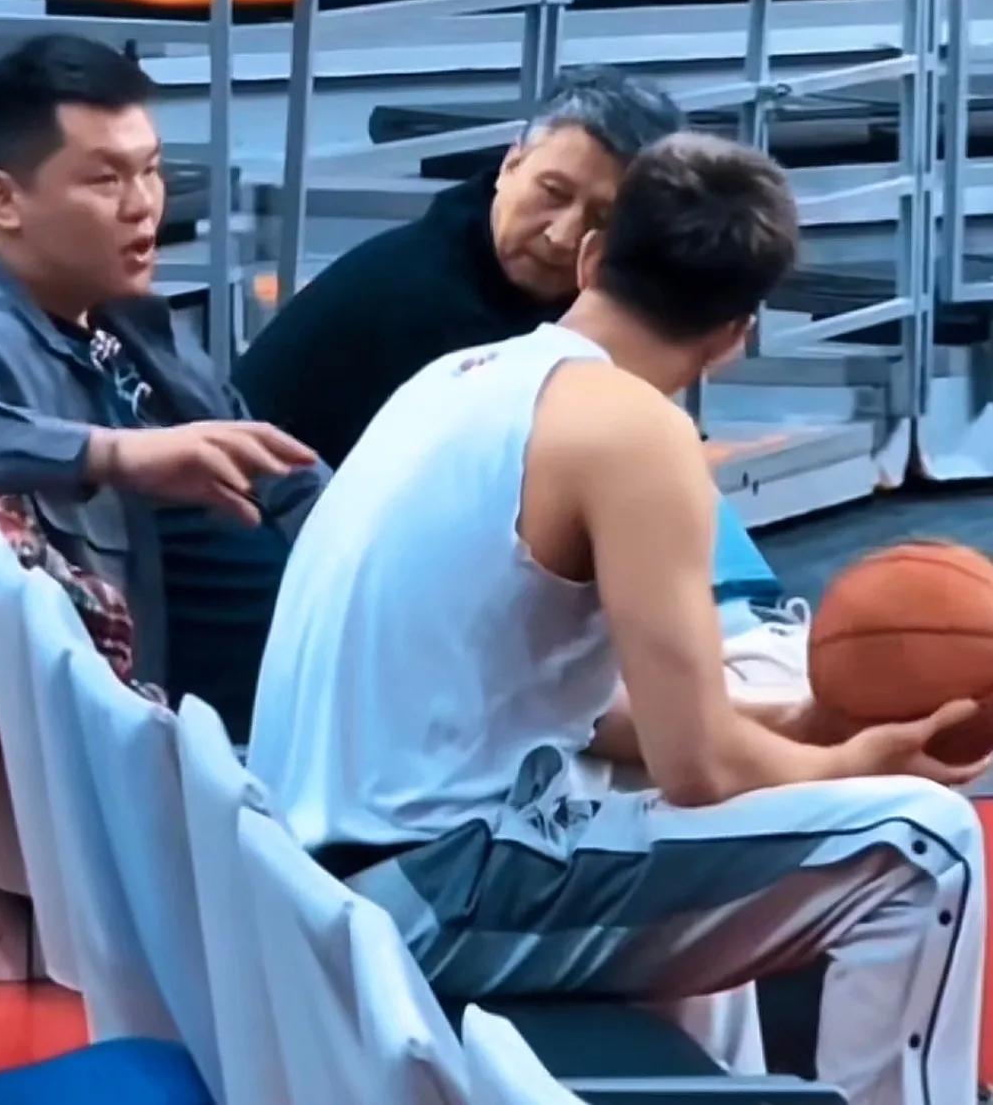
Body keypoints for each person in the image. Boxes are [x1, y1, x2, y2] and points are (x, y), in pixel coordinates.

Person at [248, 131, 988, 1105]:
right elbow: (702, 768)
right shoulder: (637, 434)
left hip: (314, 882)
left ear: (593, 258)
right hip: (429, 895)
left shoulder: (457, 378)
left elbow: (574, 711)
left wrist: (799, 728)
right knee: (924, 844)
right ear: (738, 332)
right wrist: (859, 760)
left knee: (665, 815)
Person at [233, 66, 808, 706]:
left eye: (601, 217)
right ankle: (748, 635)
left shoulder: (524, 304)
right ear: (511, 163)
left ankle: (748, 627)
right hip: (275, 595)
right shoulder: (436, 316)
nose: (562, 234)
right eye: (552, 192)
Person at [0, 35, 324, 741]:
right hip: (182, 761)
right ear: (3, 201)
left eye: (152, 171)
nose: (143, 206)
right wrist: (113, 455)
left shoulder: (127, 319)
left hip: (314, 707)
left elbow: (286, 482)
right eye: (106, 180)